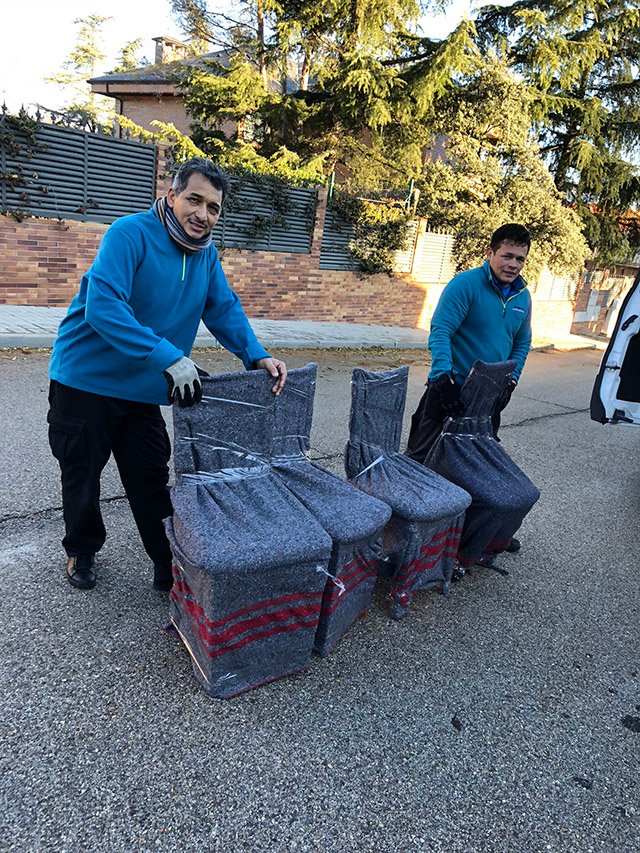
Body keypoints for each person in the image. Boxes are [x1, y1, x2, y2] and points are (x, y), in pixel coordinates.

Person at [48, 157, 287, 592]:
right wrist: (168, 356)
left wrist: (256, 355)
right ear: (172, 195)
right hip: (84, 380)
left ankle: (168, 566)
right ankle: (81, 550)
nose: (203, 214)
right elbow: (105, 307)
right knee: (81, 475)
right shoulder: (130, 234)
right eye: (194, 200)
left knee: (150, 480)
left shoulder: (205, 254)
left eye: (213, 208)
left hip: (142, 389)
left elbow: (222, 307)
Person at [406, 223, 532, 551]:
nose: (513, 264)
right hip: (450, 389)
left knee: (476, 464)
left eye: (520, 259)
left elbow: (522, 341)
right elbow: (441, 330)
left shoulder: (522, 296)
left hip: (487, 397)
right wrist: (442, 377)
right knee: (421, 459)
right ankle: (406, 535)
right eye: (507, 255)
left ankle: (477, 531)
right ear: (490, 253)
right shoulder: (466, 285)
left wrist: (511, 379)